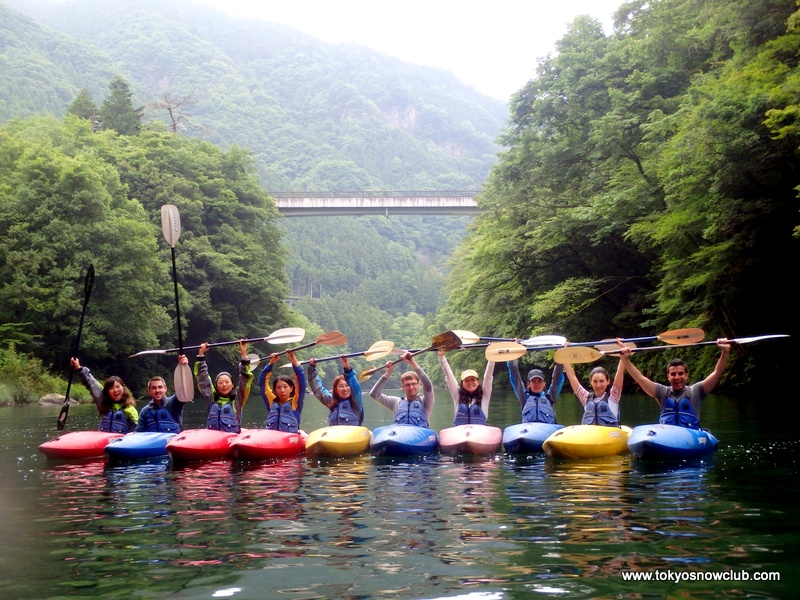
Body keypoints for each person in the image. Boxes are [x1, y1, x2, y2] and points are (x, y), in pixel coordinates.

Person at [618, 339, 731, 429]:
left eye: (680, 373)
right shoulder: (662, 392)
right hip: (668, 437)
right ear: (668, 376)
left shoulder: (696, 391)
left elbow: (717, 373)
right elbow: (640, 378)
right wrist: (625, 359)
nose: (677, 377)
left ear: (686, 375)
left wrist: (725, 351)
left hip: (691, 437)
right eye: (673, 374)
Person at [562, 340, 625, 427]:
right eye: (595, 381)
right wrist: (564, 356)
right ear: (590, 382)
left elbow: (620, 372)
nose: (598, 385)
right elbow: (572, 376)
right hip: (591, 437)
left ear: (608, 381)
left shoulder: (613, 396)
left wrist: (623, 355)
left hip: (610, 436)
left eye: (601, 381)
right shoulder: (585, 397)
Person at [194, 340, 253, 433]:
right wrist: (201, 355)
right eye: (220, 382)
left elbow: (245, 379)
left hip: (231, 440)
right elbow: (203, 378)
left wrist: (244, 356)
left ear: (232, 384)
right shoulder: (211, 398)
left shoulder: (238, 400)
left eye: (226, 382)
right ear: (216, 386)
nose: (224, 385)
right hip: (213, 441)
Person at [70, 358, 138, 433]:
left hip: (121, 442)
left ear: (123, 388)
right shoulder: (103, 401)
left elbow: (137, 430)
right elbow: (92, 383)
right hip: (104, 441)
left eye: (118, 387)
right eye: (111, 388)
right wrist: (79, 368)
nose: (115, 390)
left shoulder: (130, 410)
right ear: (107, 391)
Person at [369, 352, 435, 427]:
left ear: (419, 385)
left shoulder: (425, 401)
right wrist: (388, 373)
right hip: (400, 437)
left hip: (419, 436)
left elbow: (428, 386)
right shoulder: (395, 402)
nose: (411, 387)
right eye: (407, 385)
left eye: (413, 384)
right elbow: (374, 394)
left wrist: (413, 363)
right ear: (402, 387)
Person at [135, 355, 190, 433]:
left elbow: (183, 391)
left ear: (165, 389)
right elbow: (138, 432)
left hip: (171, 443)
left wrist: (183, 368)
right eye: (154, 388)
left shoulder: (174, 403)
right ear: (149, 391)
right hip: (154, 444)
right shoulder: (145, 411)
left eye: (160, 387)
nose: (157, 390)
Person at [438, 350, 494, 426]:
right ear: (462, 383)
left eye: (473, 380)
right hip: (461, 432)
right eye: (466, 380)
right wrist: (442, 357)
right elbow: (448, 375)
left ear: (478, 382)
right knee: (463, 407)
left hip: (480, 432)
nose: (470, 383)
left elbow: (488, 376)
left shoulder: (485, 394)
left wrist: (491, 357)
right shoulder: (457, 394)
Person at [308, 356, 364, 426]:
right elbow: (317, 389)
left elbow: (355, 386)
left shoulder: (356, 401)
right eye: (341, 386)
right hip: (334, 435)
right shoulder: (332, 402)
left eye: (347, 385)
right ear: (336, 390)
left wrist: (347, 368)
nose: (345, 389)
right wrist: (312, 368)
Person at [259, 350, 305, 432]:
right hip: (273, 440)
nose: (282, 390)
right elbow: (262, 382)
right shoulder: (271, 401)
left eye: (285, 387)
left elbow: (301, 384)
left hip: (290, 440)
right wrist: (271, 364)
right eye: (279, 387)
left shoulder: (295, 402)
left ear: (291, 388)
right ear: (275, 390)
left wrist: (294, 363)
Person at [507, 359, 564, 424]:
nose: (537, 384)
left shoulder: (551, 397)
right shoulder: (524, 398)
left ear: (544, 383)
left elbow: (557, 379)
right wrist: (511, 362)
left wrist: (559, 361)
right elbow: (515, 379)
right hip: (529, 431)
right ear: (529, 384)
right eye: (533, 382)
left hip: (548, 431)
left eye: (540, 381)